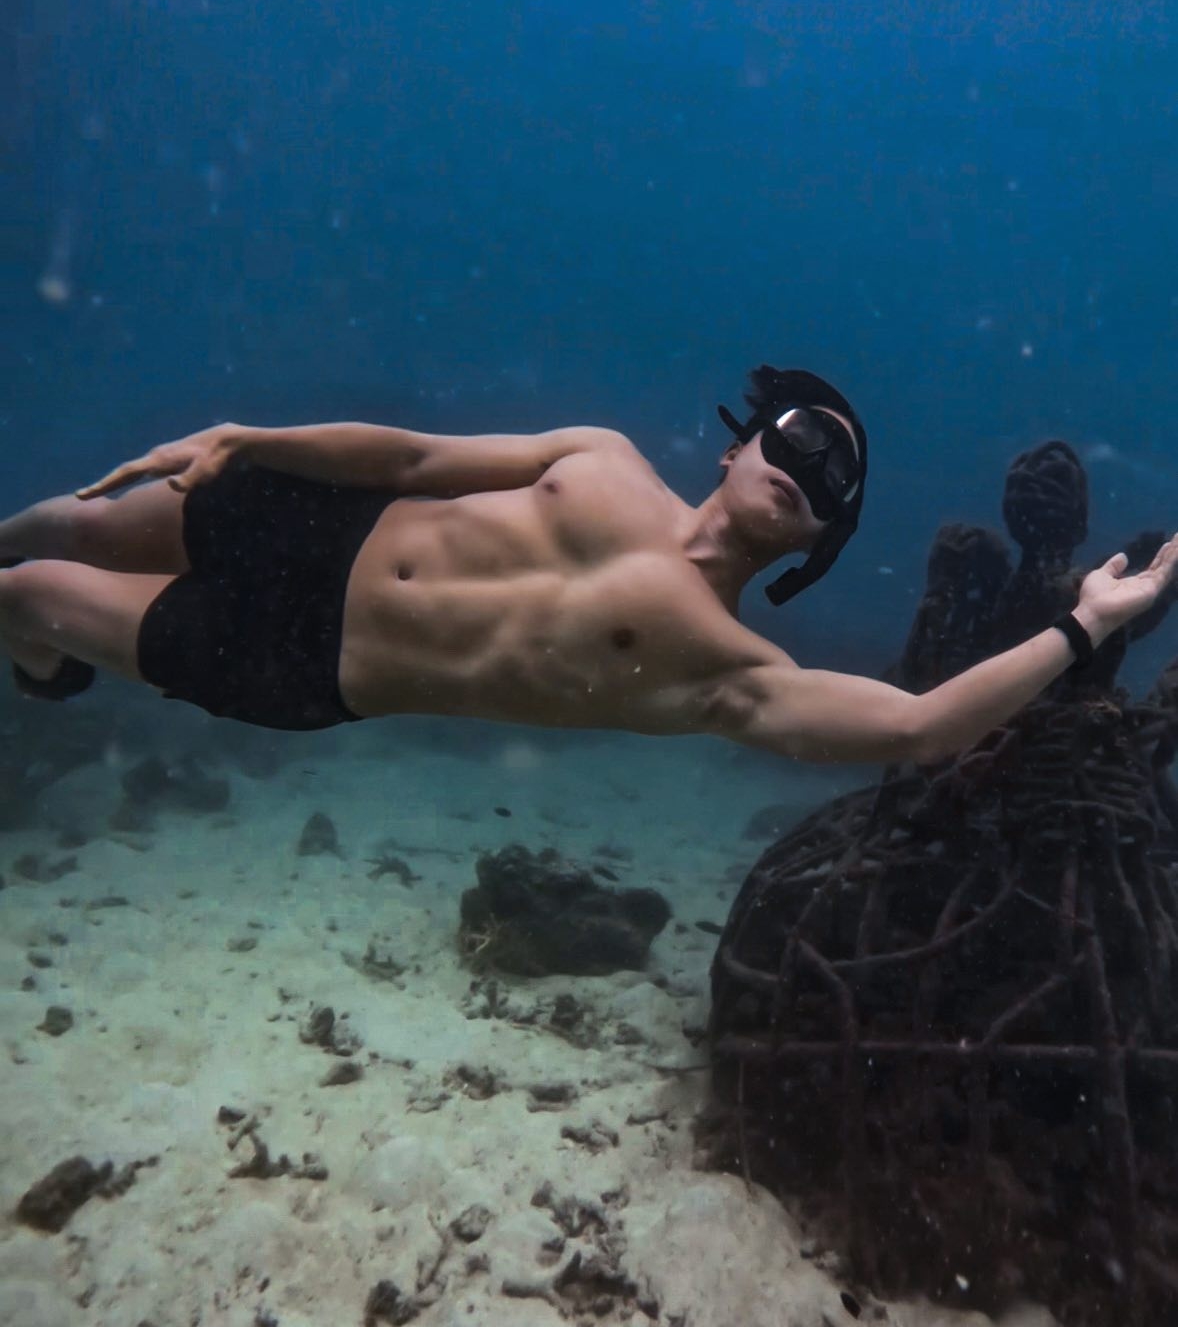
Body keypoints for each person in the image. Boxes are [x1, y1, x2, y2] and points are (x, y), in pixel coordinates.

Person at [0, 364, 1173, 766]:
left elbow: (914, 728)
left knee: (28, 595)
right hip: (313, 524)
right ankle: (36, 632)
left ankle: (37, 653)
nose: (804, 472)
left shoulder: (721, 664)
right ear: (737, 443)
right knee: (72, 524)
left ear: (816, 541)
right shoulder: (600, 457)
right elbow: (410, 457)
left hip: (307, 661)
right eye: (795, 439)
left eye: (832, 485)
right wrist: (251, 437)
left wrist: (1084, 623)